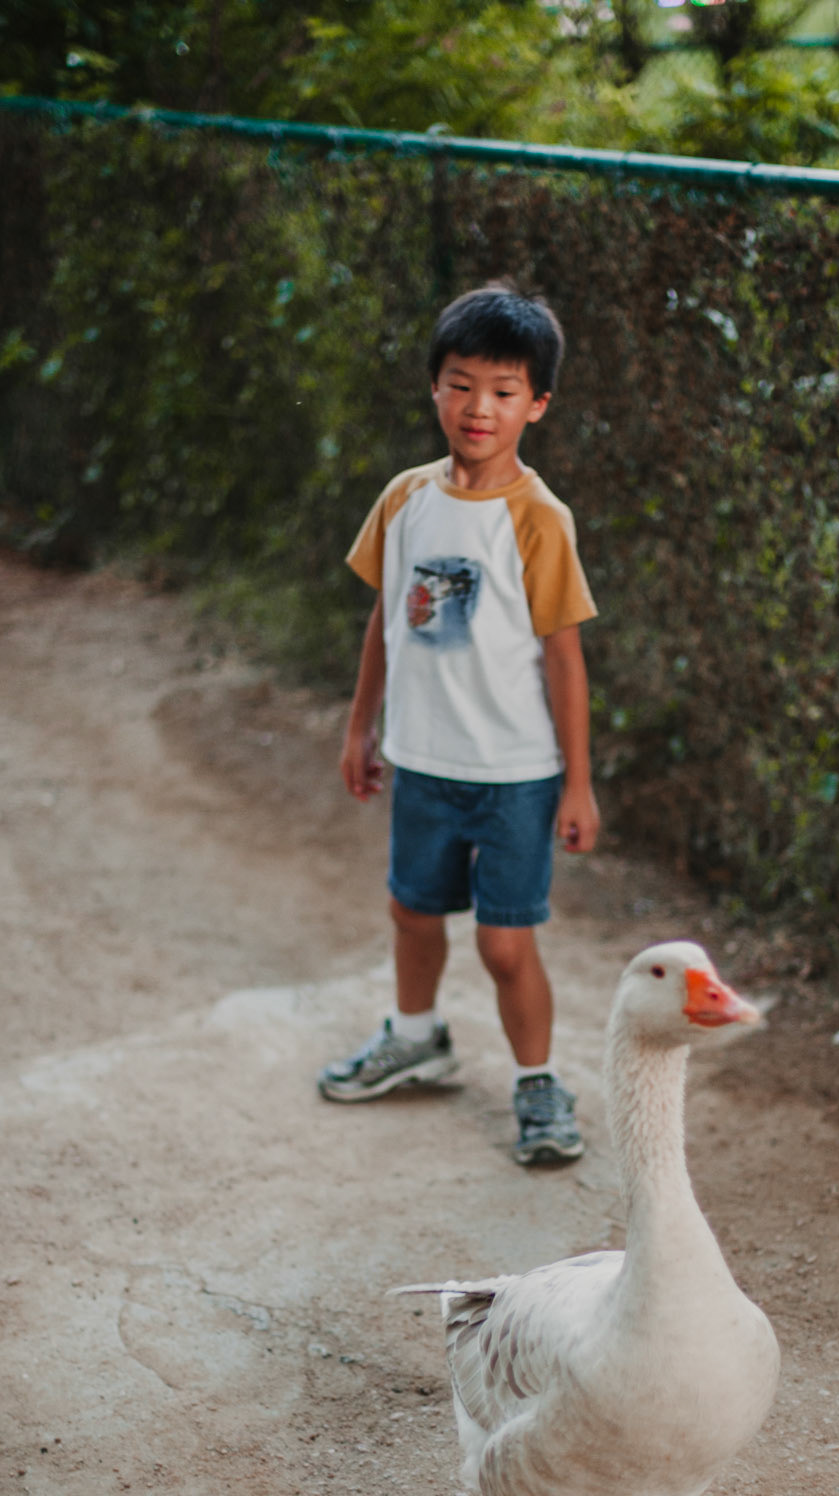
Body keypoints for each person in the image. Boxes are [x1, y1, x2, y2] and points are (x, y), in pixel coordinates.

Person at [317, 283, 600, 1165]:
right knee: (410, 911)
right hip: (421, 763)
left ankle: (538, 1084)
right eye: (460, 382)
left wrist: (578, 783)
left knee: (504, 941)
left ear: (537, 405)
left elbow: (563, 657)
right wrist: (361, 729)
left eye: (504, 390)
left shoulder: (538, 520)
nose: (480, 407)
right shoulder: (405, 499)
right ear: (433, 388)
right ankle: (417, 1037)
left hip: (514, 773)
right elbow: (386, 624)